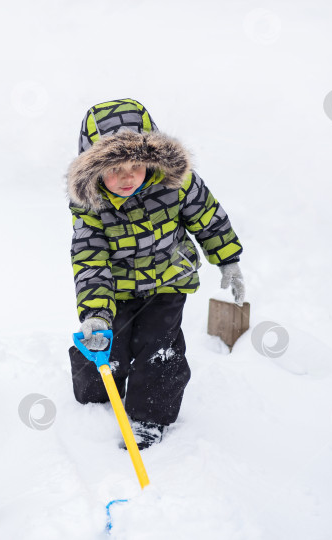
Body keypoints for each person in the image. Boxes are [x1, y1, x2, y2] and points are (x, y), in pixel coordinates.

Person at [65, 98, 245, 449]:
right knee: (106, 346)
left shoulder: (177, 183)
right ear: (94, 170)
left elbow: (207, 217)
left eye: (136, 164)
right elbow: (90, 258)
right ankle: (95, 398)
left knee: (159, 350)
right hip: (115, 288)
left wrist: (228, 259)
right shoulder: (90, 205)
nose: (127, 176)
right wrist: (96, 314)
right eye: (114, 169)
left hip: (167, 281)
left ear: (152, 158)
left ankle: (150, 417)